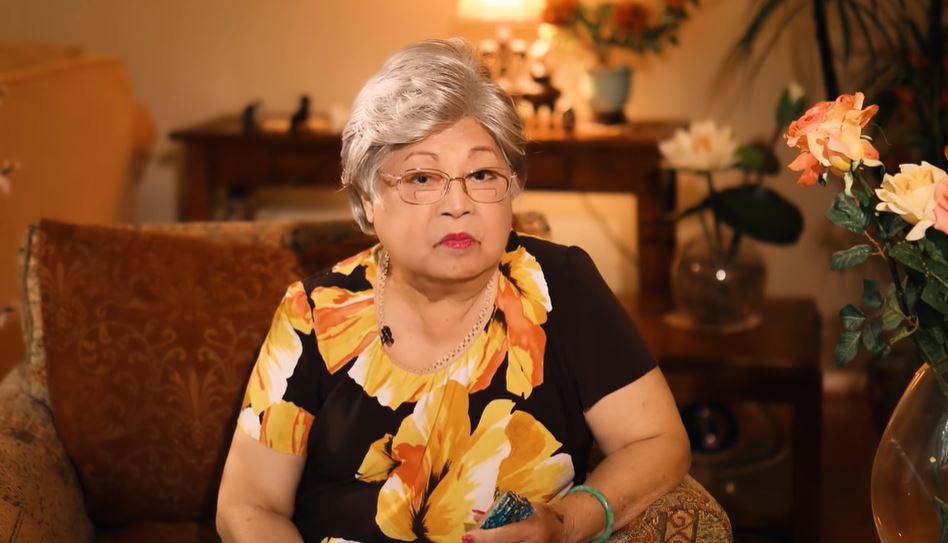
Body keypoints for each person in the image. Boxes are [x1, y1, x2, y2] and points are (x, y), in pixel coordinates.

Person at [216, 38, 690, 543]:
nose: (458, 204)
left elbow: (657, 441)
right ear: (368, 198)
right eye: (423, 178)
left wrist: (566, 522)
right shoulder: (313, 314)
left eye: (482, 174)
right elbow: (248, 506)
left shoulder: (561, 287)